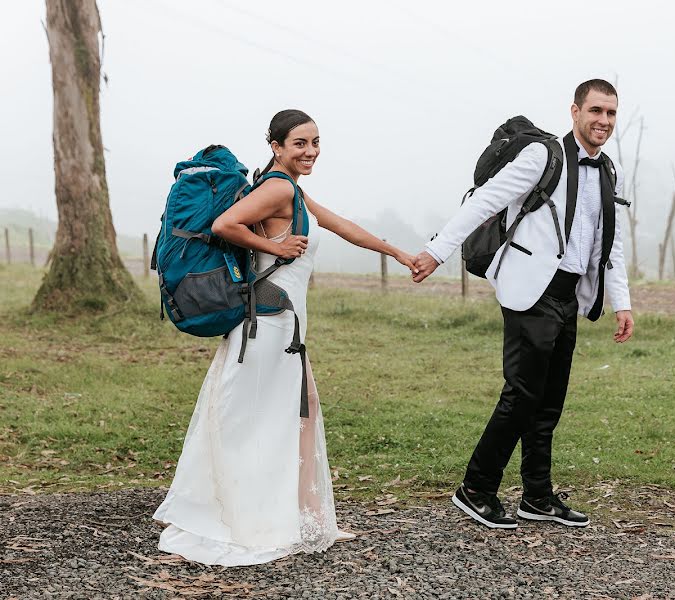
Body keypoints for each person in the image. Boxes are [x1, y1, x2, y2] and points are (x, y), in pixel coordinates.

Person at [153, 109, 417, 566]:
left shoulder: (288, 188)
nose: (311, 151)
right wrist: (276, 247)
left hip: (280, 326)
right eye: (300, 143)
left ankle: (300, 517)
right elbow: (223, 225)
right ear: (276, 146)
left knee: (293, 417)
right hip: (269, 328)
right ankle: (253, 521)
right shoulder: (276, 187)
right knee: (258, 423)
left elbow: (337, 224)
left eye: (315, 142)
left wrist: (394, 251)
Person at [412, 79, 634, 529]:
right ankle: (475, 488)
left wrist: (622, 301)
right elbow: (484, 203)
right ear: (574, 111)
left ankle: (537, 495)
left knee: (549, 400)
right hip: (530, 289)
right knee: (523, 394)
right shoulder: (542, 157)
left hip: (571, 293)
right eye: (595, 111)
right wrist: (436, 252)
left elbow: (611, 243)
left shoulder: (608, 171)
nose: (603, 122)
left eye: (611, 113)